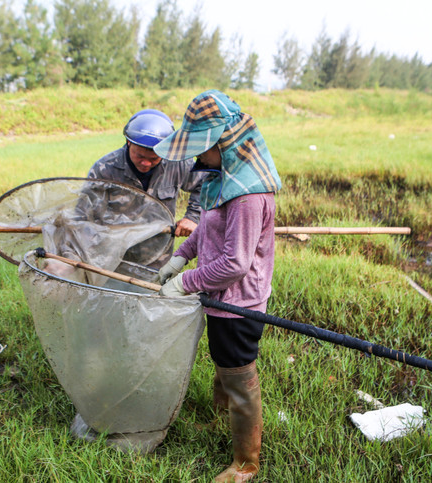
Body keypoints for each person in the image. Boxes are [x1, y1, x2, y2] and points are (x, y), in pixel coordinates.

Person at [154, 90, 281, 483]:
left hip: (238, 304)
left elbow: (236, 262)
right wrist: (180, 256)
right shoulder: (222, 179)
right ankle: (218, 419)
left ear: (222, 142)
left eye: (201, 148)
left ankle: (246, 463)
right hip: (218, 296)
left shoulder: (246, 194)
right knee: (223, 364)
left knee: (239, 377)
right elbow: (208, 232)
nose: (196, 158)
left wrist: (185, 283)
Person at [88, 109, 204, 239]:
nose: (146, 163)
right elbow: (86, 215)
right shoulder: (105, 169)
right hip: (115, 252)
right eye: (139, 156)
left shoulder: (177, 164)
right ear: (128, 142)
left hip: (159, 252)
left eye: (154, 159)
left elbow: (205, 184)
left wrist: (193, 217)